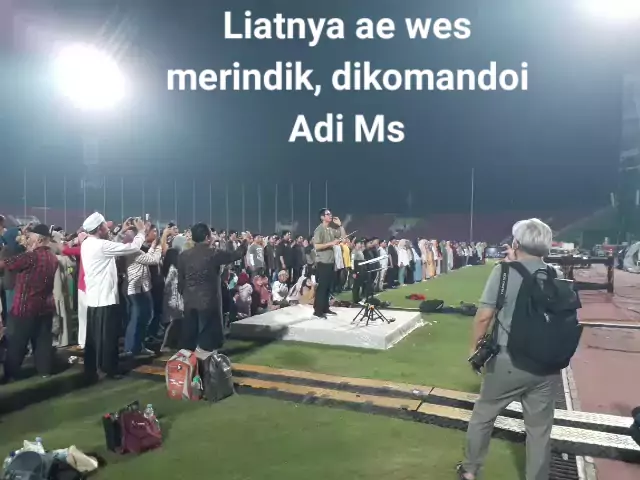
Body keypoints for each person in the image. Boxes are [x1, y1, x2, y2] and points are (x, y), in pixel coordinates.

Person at [457, 219, 556, 480]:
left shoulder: (503, 272)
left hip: (507, 360)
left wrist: (474, 348)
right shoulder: (554, 273)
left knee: (483, 416)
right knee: (539, 430)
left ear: (516, 243)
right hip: (546, 363)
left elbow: (484, 317)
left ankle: (470, 470)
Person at [81, 214, 146, 380]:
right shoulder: (101, 245)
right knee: (108, 337)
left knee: (94, 338)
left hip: (94, 298)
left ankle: (93, 367)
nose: (107, 228)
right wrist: (141, 232)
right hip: (105, 298)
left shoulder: (87, 243)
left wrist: (121, 231)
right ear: (99, 228)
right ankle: (109, 369)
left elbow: (112, 246)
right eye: (105, 226)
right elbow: (132, 248)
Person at [0, 224, 59, 382]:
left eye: (31, 237)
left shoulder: (30, 257)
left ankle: (11, 373)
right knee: (42, 342)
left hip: (24, 307)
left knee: (17, 343)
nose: (28, 240)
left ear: (38, 240)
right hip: (45, 306)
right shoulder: (52, 258)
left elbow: (7, 264)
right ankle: (44, 370)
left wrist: (19, 248)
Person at [177, 223, 247, 355]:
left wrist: (185, 295)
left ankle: (188, 364)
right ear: (207, 237)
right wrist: (244, 243)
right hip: (208, 302)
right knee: (207, 340)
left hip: (189, 301)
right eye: (211, 234)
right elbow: (236, 255)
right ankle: (205, 363)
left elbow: (180, 281)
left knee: (190, 337)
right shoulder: (213, 253)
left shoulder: (183, 255)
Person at [312, 208, 345, 318]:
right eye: (328, 214)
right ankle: (318, 310)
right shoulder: (319, 230)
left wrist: (340, 226)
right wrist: (331, 243)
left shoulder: (330, 229)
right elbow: (317, 246)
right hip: (323, 262)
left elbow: (343, 238)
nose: (330, 215)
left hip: (331, 261)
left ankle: (325, 307)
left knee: (328, 287)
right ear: (322, 217)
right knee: (322, 287)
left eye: (330, 214)